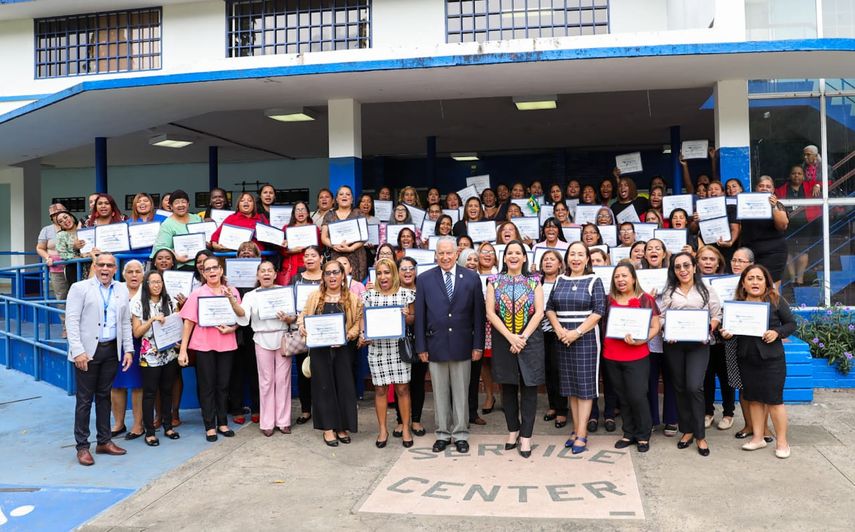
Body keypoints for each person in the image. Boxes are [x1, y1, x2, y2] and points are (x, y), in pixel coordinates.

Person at [414, 237, 486, 454]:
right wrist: (421, 347)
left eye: (449, 253)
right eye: (441, 253)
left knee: (461, 393)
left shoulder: (472, 278)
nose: (445, 257)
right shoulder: (425, 279)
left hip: (463, 345)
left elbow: (478, 316)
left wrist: (478, 346)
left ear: (457, 254)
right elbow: (420, 317)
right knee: (440, 393)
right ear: (436, 255)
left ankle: (461, 434)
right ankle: (443, 434)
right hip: (435, 346)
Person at [720, 264, 795, 459]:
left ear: (766, 282)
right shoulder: (736, 304)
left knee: (774, 401)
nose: (755, 282)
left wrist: (777, 332)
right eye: (750, 278)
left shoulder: (776, 300)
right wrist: (726, 334)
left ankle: (782, 442)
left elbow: (791, 324)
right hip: (746, 358)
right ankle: (758, 438)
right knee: (752, 399)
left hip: (772, 359)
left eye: (759, 278)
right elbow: (725, 332)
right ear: (743, 283)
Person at [66, 253, 134, 466]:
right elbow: (72, 320)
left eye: (110, 265)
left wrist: (128, 350)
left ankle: (104, 441)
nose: (105, 268)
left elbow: (125, 322)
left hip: (111, 350)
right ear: (94, 267)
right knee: (85, 400)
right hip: (87, 352)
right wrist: (77, 351)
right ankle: (82, 447)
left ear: (115, 268)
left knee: (105, 396)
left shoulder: (121, 289)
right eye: (101, 264)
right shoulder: (80, 288)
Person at [545, 242, 606, 454]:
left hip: (586, 339)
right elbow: (550, 308)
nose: (576, 258)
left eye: (581, 254)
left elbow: (598, 311)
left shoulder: (594, 280)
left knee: (585, 388)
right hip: (562, 338)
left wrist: (576, 332)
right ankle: (575, 429)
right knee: (570, 387)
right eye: (572, 254)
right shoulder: (560, 280)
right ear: (567, 258)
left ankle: (582, 433)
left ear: (587, 258)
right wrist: (559, 329)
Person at [485, 241, 545, 458]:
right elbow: (490, 313)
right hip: (504, 340)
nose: (513, 256)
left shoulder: (534, 281)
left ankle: (526, 436)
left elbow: (539, 313)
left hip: (530, 340)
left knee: (529, 388)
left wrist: (522, 338)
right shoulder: (493, 281)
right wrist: (511, 337)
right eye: (509, 253)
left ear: (524, 257)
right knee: (508, 387)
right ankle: (513, 430)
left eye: (518, 253)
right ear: (504, 257)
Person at [177, 257, 246, 442]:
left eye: (215, 268)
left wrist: (232, 328)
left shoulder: (232, 291)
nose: (212, 271)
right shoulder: (198, 293)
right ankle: (209, 425)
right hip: (203, 344)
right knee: (207, 386)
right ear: (203, 273)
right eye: (208, 269)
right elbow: (188, 322)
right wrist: (183, 350)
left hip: (226, 343)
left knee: (223, 385)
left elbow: (241, 318)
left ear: (221, 270)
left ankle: (222, 422)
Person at [662, 252, 722, 457]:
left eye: (686, 265)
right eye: (678, 267)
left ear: (694, 267)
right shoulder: (669, 291)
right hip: (675, 345)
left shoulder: (707, 290)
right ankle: (687, 430)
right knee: (679, 387)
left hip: (699, 345)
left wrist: (709, 328)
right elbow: (661, 317)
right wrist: (667, 330)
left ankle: (700, 435)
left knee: (694, 386)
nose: (683, 270)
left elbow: (716, 315)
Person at [298, 260, 363, 446]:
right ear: (323, 276)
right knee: (323, 387)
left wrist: (346, 336)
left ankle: (342, 426)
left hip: (343, 349)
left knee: (344, 387)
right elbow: (302, 316)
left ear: (343, 275)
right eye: (328, 273)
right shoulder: (314, 297)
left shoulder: (352, 298)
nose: (332, 276)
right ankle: (328, 428)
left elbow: (358, 322)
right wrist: (302, 326)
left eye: (336, 272)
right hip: (320, 350)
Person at [604, 263, 661, 453]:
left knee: (637, 396)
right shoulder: (608, 299)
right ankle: (628, 433)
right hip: (611, 355)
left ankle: (643, 434)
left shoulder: (646, 299)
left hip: (637, 355)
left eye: (624, 276)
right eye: (617, 276)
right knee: (623, 396)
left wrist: (641, 340)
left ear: (634, 278)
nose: (620, 280)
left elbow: (655, 326)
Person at [360, 258, 416, 448]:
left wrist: (405, 316)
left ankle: (406, 428)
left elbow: (412, 320)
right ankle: (382, 429)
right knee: (380, 389)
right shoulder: (369, 296)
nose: (383, 277)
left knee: (402, 389)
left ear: (394, 274)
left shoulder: (405, 295)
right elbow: (363, 319)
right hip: (377, 349)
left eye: (387, 272)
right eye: (380, 273)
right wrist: (363, 333)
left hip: (398, 348)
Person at [237, 261, 295, 436]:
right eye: (263, 271)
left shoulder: (285, 292)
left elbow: (294, 317)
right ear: (257, 275)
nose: (267, 274)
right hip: (262, 338)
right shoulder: (250, 296)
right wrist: (233, 302)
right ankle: (267, 422)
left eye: (270, 270)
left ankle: (283, 421)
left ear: (275, 274)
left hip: (282, 337)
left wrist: (287, 318)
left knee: (283, 380)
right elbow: (243, 316)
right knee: (266, 381)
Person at [725, 247, 774, 442]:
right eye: (734, 260)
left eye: (741, 261)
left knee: (762, 386)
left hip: (759, 343)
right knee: (742, 386)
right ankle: (748, 425)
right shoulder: (721, 283)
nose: (736, 264)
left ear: (751, 265)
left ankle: (765, 428)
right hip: (734, 340)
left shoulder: (762, 284)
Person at [131, 270, 181, 447]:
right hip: (149, 355)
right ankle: (150, 432)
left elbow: (177, 325)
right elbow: (136, 333)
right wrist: (151, 320)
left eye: (159, 282)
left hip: (169, 354)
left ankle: (168, 427)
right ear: (146, 284)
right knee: (150, 393)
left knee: (167, 390)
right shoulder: (138, 304)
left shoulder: (170, 301)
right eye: (152, 282)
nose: (156, 285)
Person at [641, 238, 678, 436]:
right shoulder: (637, 278)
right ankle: (652, 419)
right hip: (649, 335)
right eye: (649, 249)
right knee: (650, 379)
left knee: (671, 378)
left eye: (658, 248)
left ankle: (671, 419)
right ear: (645, 254)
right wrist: (645, 297)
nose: (653, 251)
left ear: (664, 254)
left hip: (671, 333)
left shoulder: (674, 276)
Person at [111, 260, 145, 440]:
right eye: (130, 271)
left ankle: (138, 425)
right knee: (116, 384)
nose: (134, 275)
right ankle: (118, 423)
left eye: (137, 271)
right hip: (116, 343)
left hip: (140, 342)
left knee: (138, 385)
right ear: (123, 274)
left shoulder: (146, 291)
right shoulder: (116, 290)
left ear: (143, 274)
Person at [290, 246, 324, 425]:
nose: (309, 258)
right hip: (302, 329)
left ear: (321, 258)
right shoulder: (296, 278)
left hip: (323, 330)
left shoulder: (326, 278)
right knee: (304, 370)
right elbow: (290, 303)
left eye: (313, 255)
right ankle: (305, 410)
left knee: (322, 372)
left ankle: (321, 409)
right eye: (306, 256)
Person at [740, 176, 789, 287]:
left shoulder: (778, 205)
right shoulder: (746, 203)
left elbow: (783, 225)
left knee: (771, 288)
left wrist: (774, 207)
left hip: (773, 253)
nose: (764, 188)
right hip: (750, 253)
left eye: (768, 186)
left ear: (773, 190)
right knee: (749, 286)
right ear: (756, 188)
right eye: (761, 186)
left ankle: (772, 305)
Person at [776, 164, 821, 286]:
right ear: (789, 175)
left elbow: (827, 183)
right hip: (788, 225)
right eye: (794, 173)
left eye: (799, 173)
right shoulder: (781, 190)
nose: (796, 175)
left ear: (804, 176)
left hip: (805, 225)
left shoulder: (810, 186)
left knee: (802, 253)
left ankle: (800, 280)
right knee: (789, 253)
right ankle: (792, 279)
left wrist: (817, 185)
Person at [538, 250, 568, 428]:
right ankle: (552, 406)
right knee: (548, 370)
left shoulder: (564, 281)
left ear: (559, 264)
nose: (548, 262)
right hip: (541, 333)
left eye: (552, 259)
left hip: (560, 332)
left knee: (559, 371)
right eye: (545, 259)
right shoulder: (537, 282)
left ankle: (563, 410)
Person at [321, 185, 368, 282]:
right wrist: (333, 245)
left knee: (356, 284)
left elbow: (364, 236)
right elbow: (324, 237)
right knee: (336, 280)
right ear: (337, 199)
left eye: (348, 194)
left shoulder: (359, 213)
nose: (344, 196)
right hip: (336, 253)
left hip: (356, 254)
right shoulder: (329, 215)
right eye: (341, 194)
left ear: (352, 199)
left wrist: (351, 248)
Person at [150, 190, 203, 267]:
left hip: (200, 264)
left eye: (183, 202)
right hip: (180, 266)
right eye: (176, 202)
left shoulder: (197, 218)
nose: (180, 205)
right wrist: (176, 257)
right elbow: (161, 247)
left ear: (188, 204)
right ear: (171, 206)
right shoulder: (167, 224)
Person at [279, 201, 319, 286]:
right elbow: (282, 251)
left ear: (308, 213)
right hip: (291, 267)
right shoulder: (286, 228)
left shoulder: (314, 229)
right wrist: (292, 250)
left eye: (302, 209)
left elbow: (319, 249)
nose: (300, 212)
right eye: (297, 210)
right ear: (294, 213)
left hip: (309, 265)